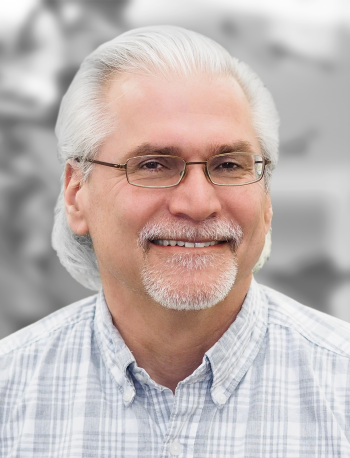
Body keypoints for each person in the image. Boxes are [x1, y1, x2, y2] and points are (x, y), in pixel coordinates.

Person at [1, 26, 350, 457]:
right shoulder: (9, 394)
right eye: (153, 164)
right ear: (76, 195)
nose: (199, 203)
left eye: (228, 165)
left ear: (266, 199)